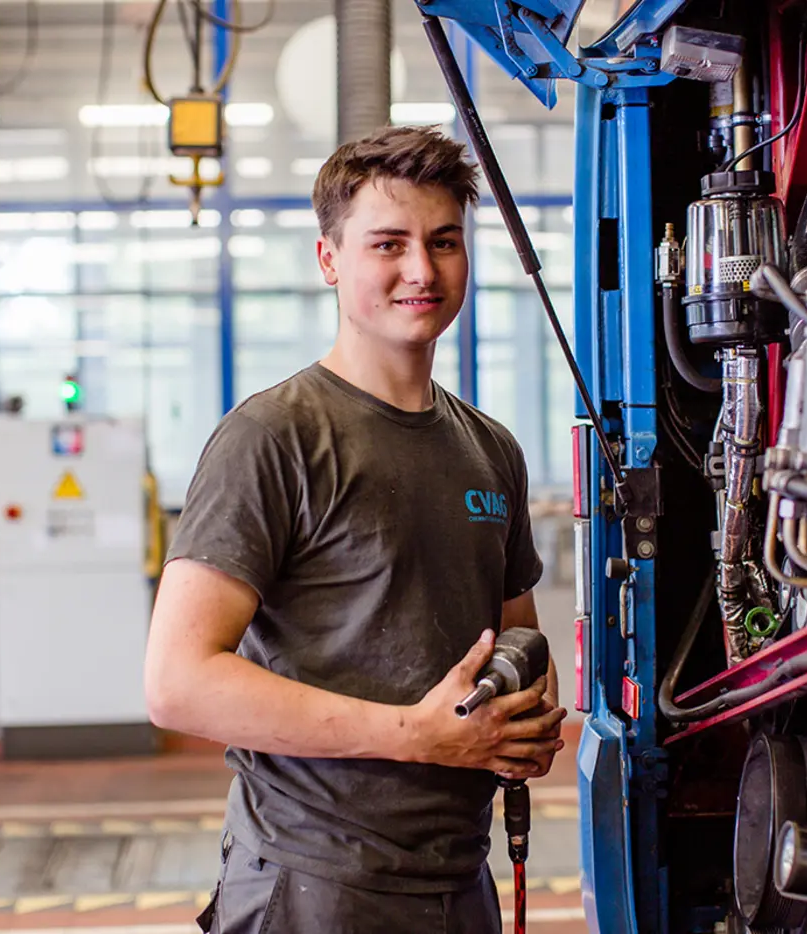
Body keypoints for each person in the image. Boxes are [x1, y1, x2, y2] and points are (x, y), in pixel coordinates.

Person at [144, 124, 567, 934]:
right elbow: (177, 682)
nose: (422, 270)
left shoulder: (491, 450)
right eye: (388, 244)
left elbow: (517, 643)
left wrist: (518, 726)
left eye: (444, 241)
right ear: (329, 259)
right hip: (314, 883)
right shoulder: (275, 438)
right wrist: (415, 735)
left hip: (458, 881)